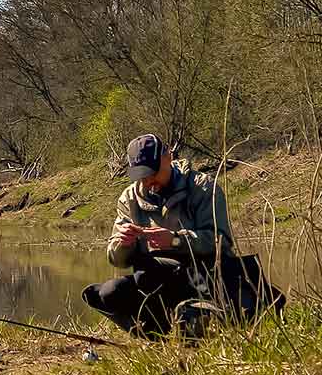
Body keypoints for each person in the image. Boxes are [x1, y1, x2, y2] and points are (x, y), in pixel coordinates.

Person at [82, 133, 284, 339]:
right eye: (142, 175)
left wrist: (175, 239)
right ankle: (154, 334)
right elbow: (117, 259)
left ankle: (199, 317)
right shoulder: (129, 198)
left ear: (167, 156)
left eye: (152, 172)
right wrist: (123, 244)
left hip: (203, 278)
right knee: (107, 293)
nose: (149, 180)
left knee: (198, 315)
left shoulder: (202, 187)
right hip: (155, 281)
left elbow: (221, 241)